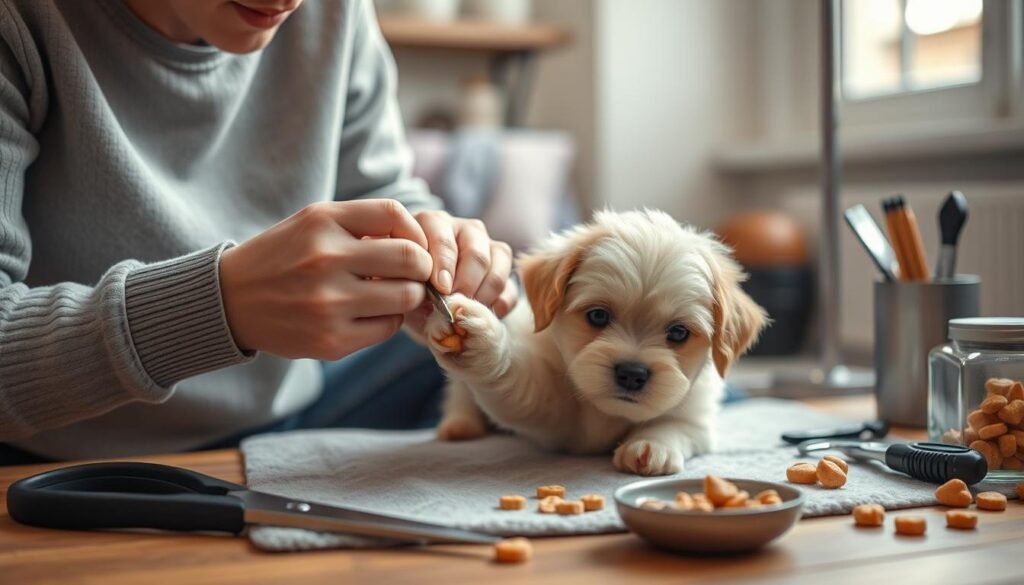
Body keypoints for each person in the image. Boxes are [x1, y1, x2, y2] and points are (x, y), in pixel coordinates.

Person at [0, 0, 516, 464]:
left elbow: (379, 190)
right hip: (57, 453)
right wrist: (217, 308)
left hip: (292, 417)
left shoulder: (335, 11)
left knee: (511, 361)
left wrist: (440, 250)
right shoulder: (21, 21)